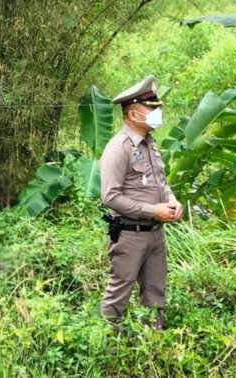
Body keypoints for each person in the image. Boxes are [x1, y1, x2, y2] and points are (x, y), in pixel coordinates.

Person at [99, 75, 183, 330]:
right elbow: (110, 197)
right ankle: (109, 346)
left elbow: (160, 182)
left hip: (156, 233)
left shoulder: (150, 144)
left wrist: (171, 200)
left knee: (156, 292)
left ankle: (154, 342)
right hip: (130, 234)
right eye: (152, 109)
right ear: (134, 115)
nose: (158, 113)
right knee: (118, 295)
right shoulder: (118, 148)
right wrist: (152, 210)